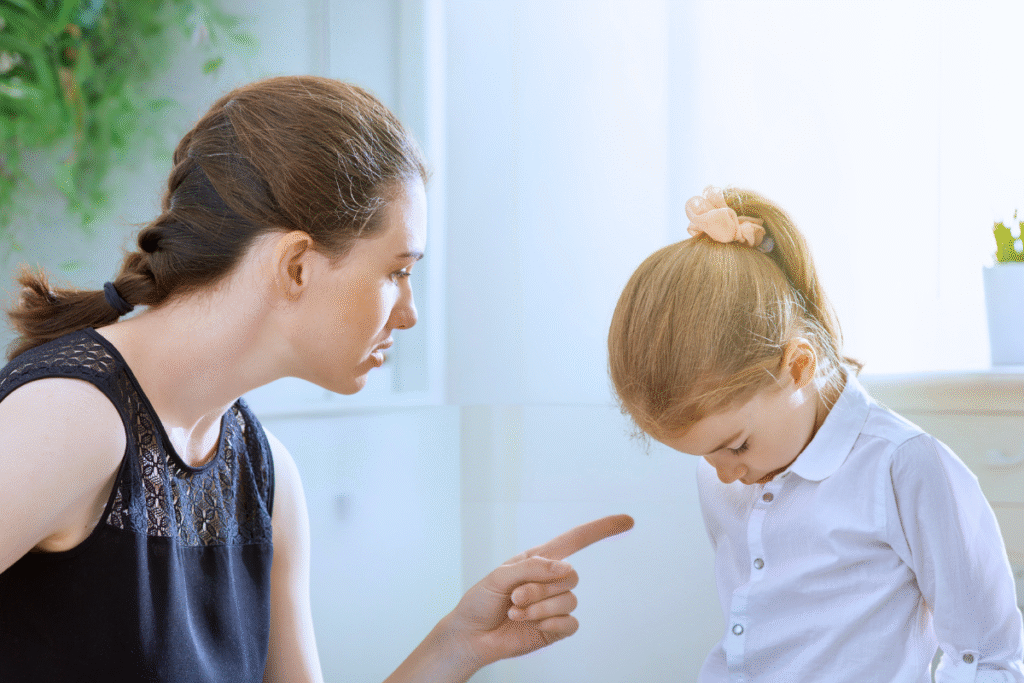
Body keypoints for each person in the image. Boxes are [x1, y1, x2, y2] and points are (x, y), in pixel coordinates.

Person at [0, 75, 634, 682]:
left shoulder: (265, 477)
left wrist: (459, 645)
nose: (408, 314)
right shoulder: (71, 419)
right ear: (297, 265)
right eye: (396, 271)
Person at [607, 185, 1024, 681]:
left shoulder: (902, 466)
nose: (723, 474)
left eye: (735, 446)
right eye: (703, 456)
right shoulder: (723, 476)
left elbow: (988, 656)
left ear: (799, 366)